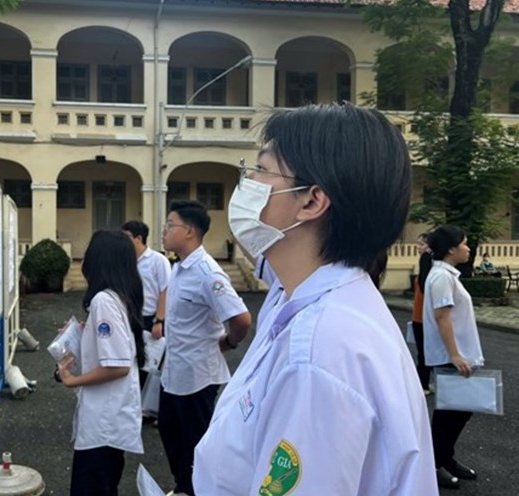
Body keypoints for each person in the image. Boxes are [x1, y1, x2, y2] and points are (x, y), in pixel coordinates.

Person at [193, 103, 437, 495]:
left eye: (261, 169)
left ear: (311, 201)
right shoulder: (308, 297)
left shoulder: (318, 353)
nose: (246, 182)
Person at [159, 200, 252, 496]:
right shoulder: (179, 268)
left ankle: (197, 490)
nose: (164, 230)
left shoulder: (207, 273)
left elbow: (241, 318)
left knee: (197, 445)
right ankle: (183, 487)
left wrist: (229, 341)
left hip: (198, 377)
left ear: (189, 231)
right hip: (173, 372)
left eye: (170, 225)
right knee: (171, 435)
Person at [56, 230, 145, 496]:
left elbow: (118, 365)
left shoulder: (103, 300)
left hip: (104, 421)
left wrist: (72, 380)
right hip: (109, 419)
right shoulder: (117, 296)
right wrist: (85, 333)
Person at [423, 224, 484, 490]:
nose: (468, 248)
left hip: (457, 354)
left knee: (460, 411)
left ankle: (446, 459)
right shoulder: (441, 277)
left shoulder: (447, 275)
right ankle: (433, 465)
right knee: (449, 414)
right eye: (464, 244)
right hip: (450, 356)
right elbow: (442, 317)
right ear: (450, 249)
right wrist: (455, 355)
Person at [122, 220, 171, 421]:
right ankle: (137, 408)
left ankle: (156, 410)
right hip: (131, 318)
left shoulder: (158, 261)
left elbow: (166, 290)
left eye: (127, 237)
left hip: (152, 319)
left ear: (138, 238)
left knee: (155, 365)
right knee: (135, 362)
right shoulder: (126, 261)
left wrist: (159, 320)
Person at [412, 233, 434, 393]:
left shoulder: (426, 259)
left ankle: (423, 383)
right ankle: (423, 383)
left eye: (422, 244)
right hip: (421, 315)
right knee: (425, 352)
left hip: (422, 316)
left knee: (424, 352)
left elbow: (424, 284)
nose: (419, 248)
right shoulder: (429, 262)